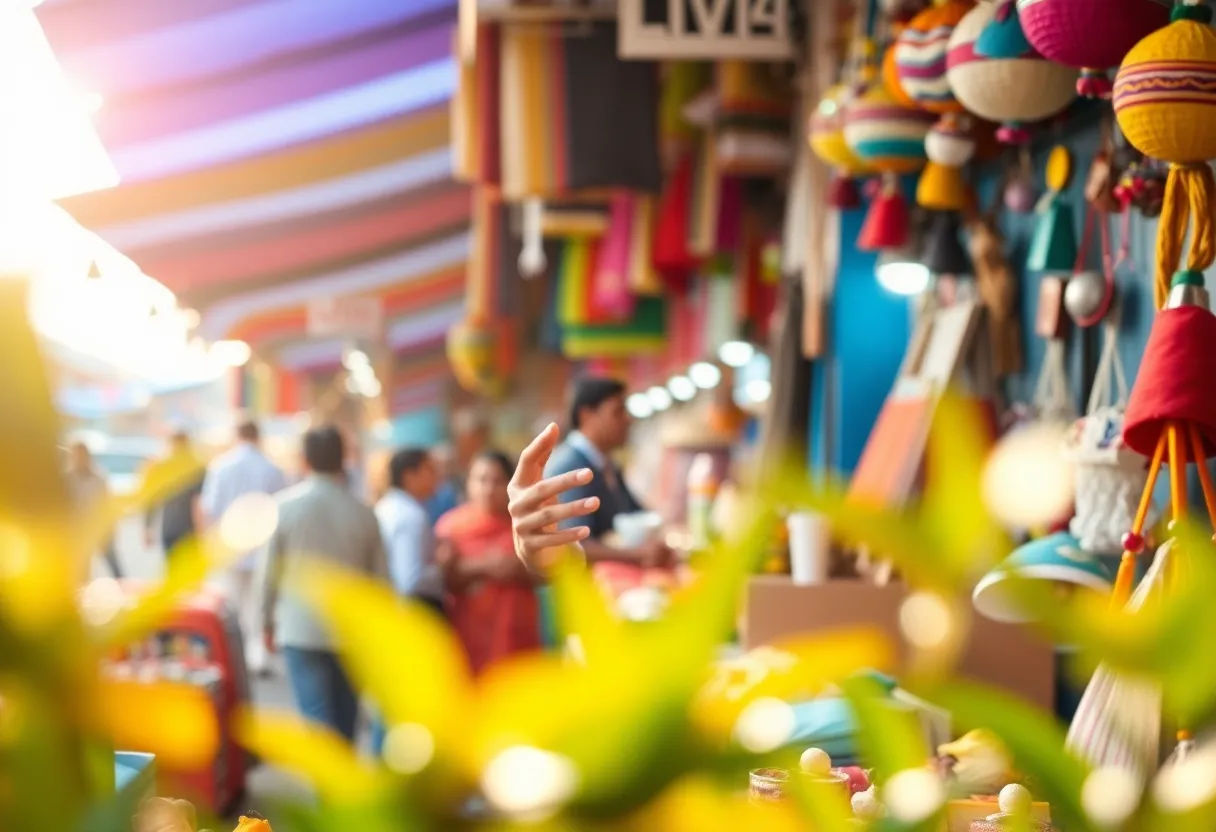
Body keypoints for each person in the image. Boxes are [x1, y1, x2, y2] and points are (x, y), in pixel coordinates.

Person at [262, 425, 388, 742]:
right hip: (350, 634)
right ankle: (342, 790)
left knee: (318, 727)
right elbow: (381, 584)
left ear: (304, 459)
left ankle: (332, 789)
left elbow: (268, 575)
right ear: (343, 459)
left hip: (300, 632)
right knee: (346, 728)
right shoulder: (364, 514)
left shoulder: (283, 508)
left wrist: (265, 623)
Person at [538, 377, 672, 568]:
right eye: (618, 412)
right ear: (587, 415)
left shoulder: (608, 466)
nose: (628, 420)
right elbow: (574, 544)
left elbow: (637, 514)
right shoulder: (570, 467)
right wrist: (638, 554)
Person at [436, 450, 539, 675]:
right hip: (471, 634)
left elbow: (549, 571)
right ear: (468, 483)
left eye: (497, 480)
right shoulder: (451, 527)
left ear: (510, 483)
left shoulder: (525, 524)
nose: (488, 489)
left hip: (517, 634)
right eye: (481, 480)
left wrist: (517, 568)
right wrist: (484, 567)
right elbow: (443, 577)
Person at [200, 419, 288, 674]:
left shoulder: (221, 466)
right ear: (258, 436)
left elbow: (210, 508)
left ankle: (231, 655)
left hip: (230, 546)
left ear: (236, 435)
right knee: (258, 603)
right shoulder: (272, 468)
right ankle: (257, 655)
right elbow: (280, 508)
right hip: (263, 547)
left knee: (231, 603)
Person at [374, 448, 445, 614]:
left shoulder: (384, 507)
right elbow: (411, 581)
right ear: (409, 476)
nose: (436, 477)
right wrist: (442, 566)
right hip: (411, 614)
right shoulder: (411, 516)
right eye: (430, 470)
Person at [65, 440, 123, 579]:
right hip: (78, 529)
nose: (80, 459)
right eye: (76, 455)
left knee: (114, 565)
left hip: (99, 527)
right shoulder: (66, 478)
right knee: (81, 570)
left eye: (82, 455)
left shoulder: (99, 478)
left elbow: (108, 504)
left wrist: (112, 527)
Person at [144, 431, 205, 561]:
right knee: (190, 573)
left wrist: (148, 527)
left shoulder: (162, 467)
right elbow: (197, 502)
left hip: (168, 527)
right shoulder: (196, 468)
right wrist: (202, 528)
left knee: (172, 571)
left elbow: (152, 500)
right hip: (189, 530)